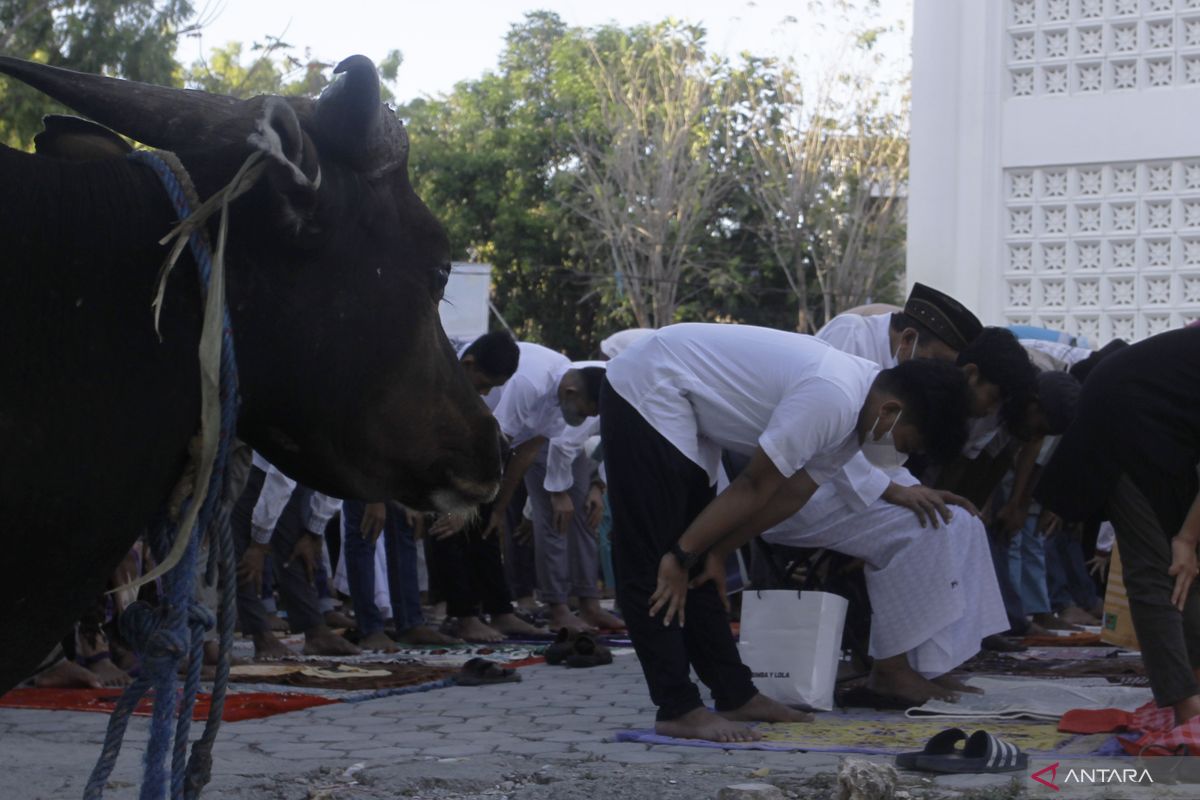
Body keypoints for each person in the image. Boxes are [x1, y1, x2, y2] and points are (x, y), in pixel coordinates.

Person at [602, 322, 971, 742]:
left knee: (697, 560)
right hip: (650, 386)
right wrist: (682, 554)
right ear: (890, 412)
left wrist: (714, 552)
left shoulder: (858, 416)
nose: (902, 455)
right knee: (654, 563)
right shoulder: (833, 396)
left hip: (687, 405)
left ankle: (735, 694)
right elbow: (756, 485)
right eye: (907, 443)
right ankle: (677, 706)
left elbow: (790, 495)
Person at [760, 286, 1033, 705]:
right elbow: (823, 438)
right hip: (794, 488)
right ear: (908, 341)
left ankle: (932, 665)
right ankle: (891, 670)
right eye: (941, 362)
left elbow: (882, 463)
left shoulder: (901, 377)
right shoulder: (851, 336)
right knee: (919, 528)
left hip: (845, 488)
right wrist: (893, 490)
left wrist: (918, 489)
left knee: (957, 519)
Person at [1036, 327, 1200, 727]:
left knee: (1185, 565)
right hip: (1127, 413)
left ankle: (1193, 675)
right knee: (1156, 566)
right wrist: (1185, 537)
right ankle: (1186, 705)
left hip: (1168, 427)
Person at [478, 341, 619, 632]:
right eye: (588, 412)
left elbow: (614, 445)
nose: (590, 417)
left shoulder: (596, 394)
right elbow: (502, 444)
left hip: (552, 440)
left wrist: (598, 486)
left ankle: (589, 604)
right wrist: (556, 494)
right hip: (519, 434)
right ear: (574, 396)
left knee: (584, 518)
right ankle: (558, 607)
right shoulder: (538, 385)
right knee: (556, 521)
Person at [428, 332, 547, 642]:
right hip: (435, 455)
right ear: (468, 364)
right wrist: (460, 505)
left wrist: (488, 504)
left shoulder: (490, 374)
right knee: (447, 526)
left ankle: (500, 611)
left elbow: (500, 447)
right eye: (482, 385)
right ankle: (463, 615)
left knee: (485, 527)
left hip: (476, 457)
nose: (483, 393)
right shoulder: (432, 364)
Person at [233, 455, 360, 660]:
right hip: (261, 465)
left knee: (299, 546)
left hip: (299, 473)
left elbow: (337, 475)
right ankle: (260, 633)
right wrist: (259, 543)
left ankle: (314, 629)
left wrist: (315, 530)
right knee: (246, 554)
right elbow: (280, 478)